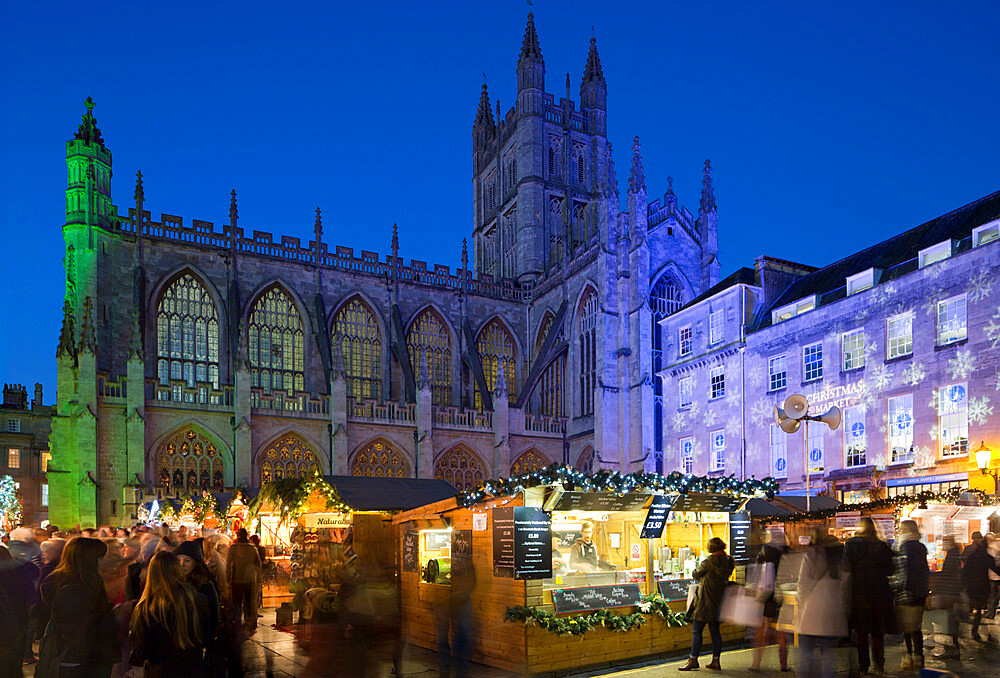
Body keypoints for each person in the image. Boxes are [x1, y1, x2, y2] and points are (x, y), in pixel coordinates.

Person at [38, 537, 119, 678]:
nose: (105, 561)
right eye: (101, 557)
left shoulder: (84, 581)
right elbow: (79, 628)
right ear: (89, 560)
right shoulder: (74, 588)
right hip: (78, 659)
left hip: (79, 656)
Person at [129, 550, 209, 677]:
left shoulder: (147, 607)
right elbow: (207, 633)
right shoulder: (198, 599)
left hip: (161, 670)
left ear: (152, 573)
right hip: (193, 667)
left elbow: (142, 649)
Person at [842, 517, 895, 675]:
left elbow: (845, 568)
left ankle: (863, 665)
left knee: (862, 633)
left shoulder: (851, 545)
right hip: (880, 594)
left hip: (859, 593)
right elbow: (892, 569)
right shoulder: (882, 546)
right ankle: (879, 664)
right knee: (878, 632)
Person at [795, 529, 846, 678]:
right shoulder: (841, 560)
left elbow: (802, 584)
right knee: (829, 654)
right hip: (831, 611)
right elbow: (846, 584)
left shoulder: (812, 556)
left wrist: (802, 603)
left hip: (811, 610)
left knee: (806, 653)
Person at [679, 537, 735, 672]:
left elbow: (695, 573)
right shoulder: (729, 561)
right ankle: (716, 661)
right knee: (715, 632)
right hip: (719, 600)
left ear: (711, 548)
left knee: (696, 630)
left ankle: (693, 660)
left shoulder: (709, 561)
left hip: (705, 601)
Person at [177, 541, 224, 676]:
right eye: (179, 560)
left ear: (195, 562)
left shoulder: (205, 586)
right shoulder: (174, 584)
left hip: (197, 645)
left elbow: (214, 616)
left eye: (187, 560)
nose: (182, 564)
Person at [891, 519, 929, 671]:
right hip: (920, 592)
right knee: (916, 627)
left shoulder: (904, 546)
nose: (899, 530)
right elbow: (924, 570)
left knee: (907, 628)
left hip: (907, 592)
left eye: (901, 528)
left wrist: (896, 585)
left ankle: (910, 657)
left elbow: (904, 572)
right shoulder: (920, 546)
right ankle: (918, 657)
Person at [750, 527, 789, 672]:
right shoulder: (786, 551)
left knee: (761, 628)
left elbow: (757, 572)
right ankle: (783, 664)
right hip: (783, 594)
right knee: (782, 631)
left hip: (766, 594)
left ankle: (756, 663)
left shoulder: (765, 552)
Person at [0, 546, 36, 677]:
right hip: (20, 614)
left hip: (11, 618)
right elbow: (30, 591)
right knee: (14, 659)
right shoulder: (18, 567)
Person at [961, 530, 1000, 642]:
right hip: (983, 586)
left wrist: (965, 582)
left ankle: (975, 630)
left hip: (972, 585)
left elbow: (965, 570)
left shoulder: (972, 555)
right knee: (979, 609)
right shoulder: (986, 556)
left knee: (976, 608)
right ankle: (976, 631)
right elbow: (995, 568)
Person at [227, 528, 262, 629]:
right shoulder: (252, 548)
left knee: (237, 603)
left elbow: (228, 565)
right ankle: (251, 623)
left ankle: (237, 623)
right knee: (250, 603)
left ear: (238, 536)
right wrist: (258, 578)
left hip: (236, 580)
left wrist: (228, 579)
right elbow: (258, 565)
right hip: (250, 579)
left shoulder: (233, 548)